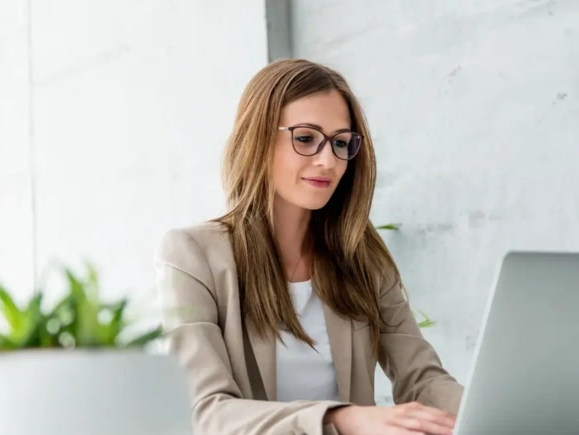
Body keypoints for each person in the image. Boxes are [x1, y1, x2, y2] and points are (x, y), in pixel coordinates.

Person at [155, 59, 464, 435]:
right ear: (258, 139)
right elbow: (205, 413)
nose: (327, 160)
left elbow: (422, 379)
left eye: (340, 142)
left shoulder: (359, 251)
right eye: (305, 138)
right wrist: (338, 417)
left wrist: (492, 412)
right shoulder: (192, 255)